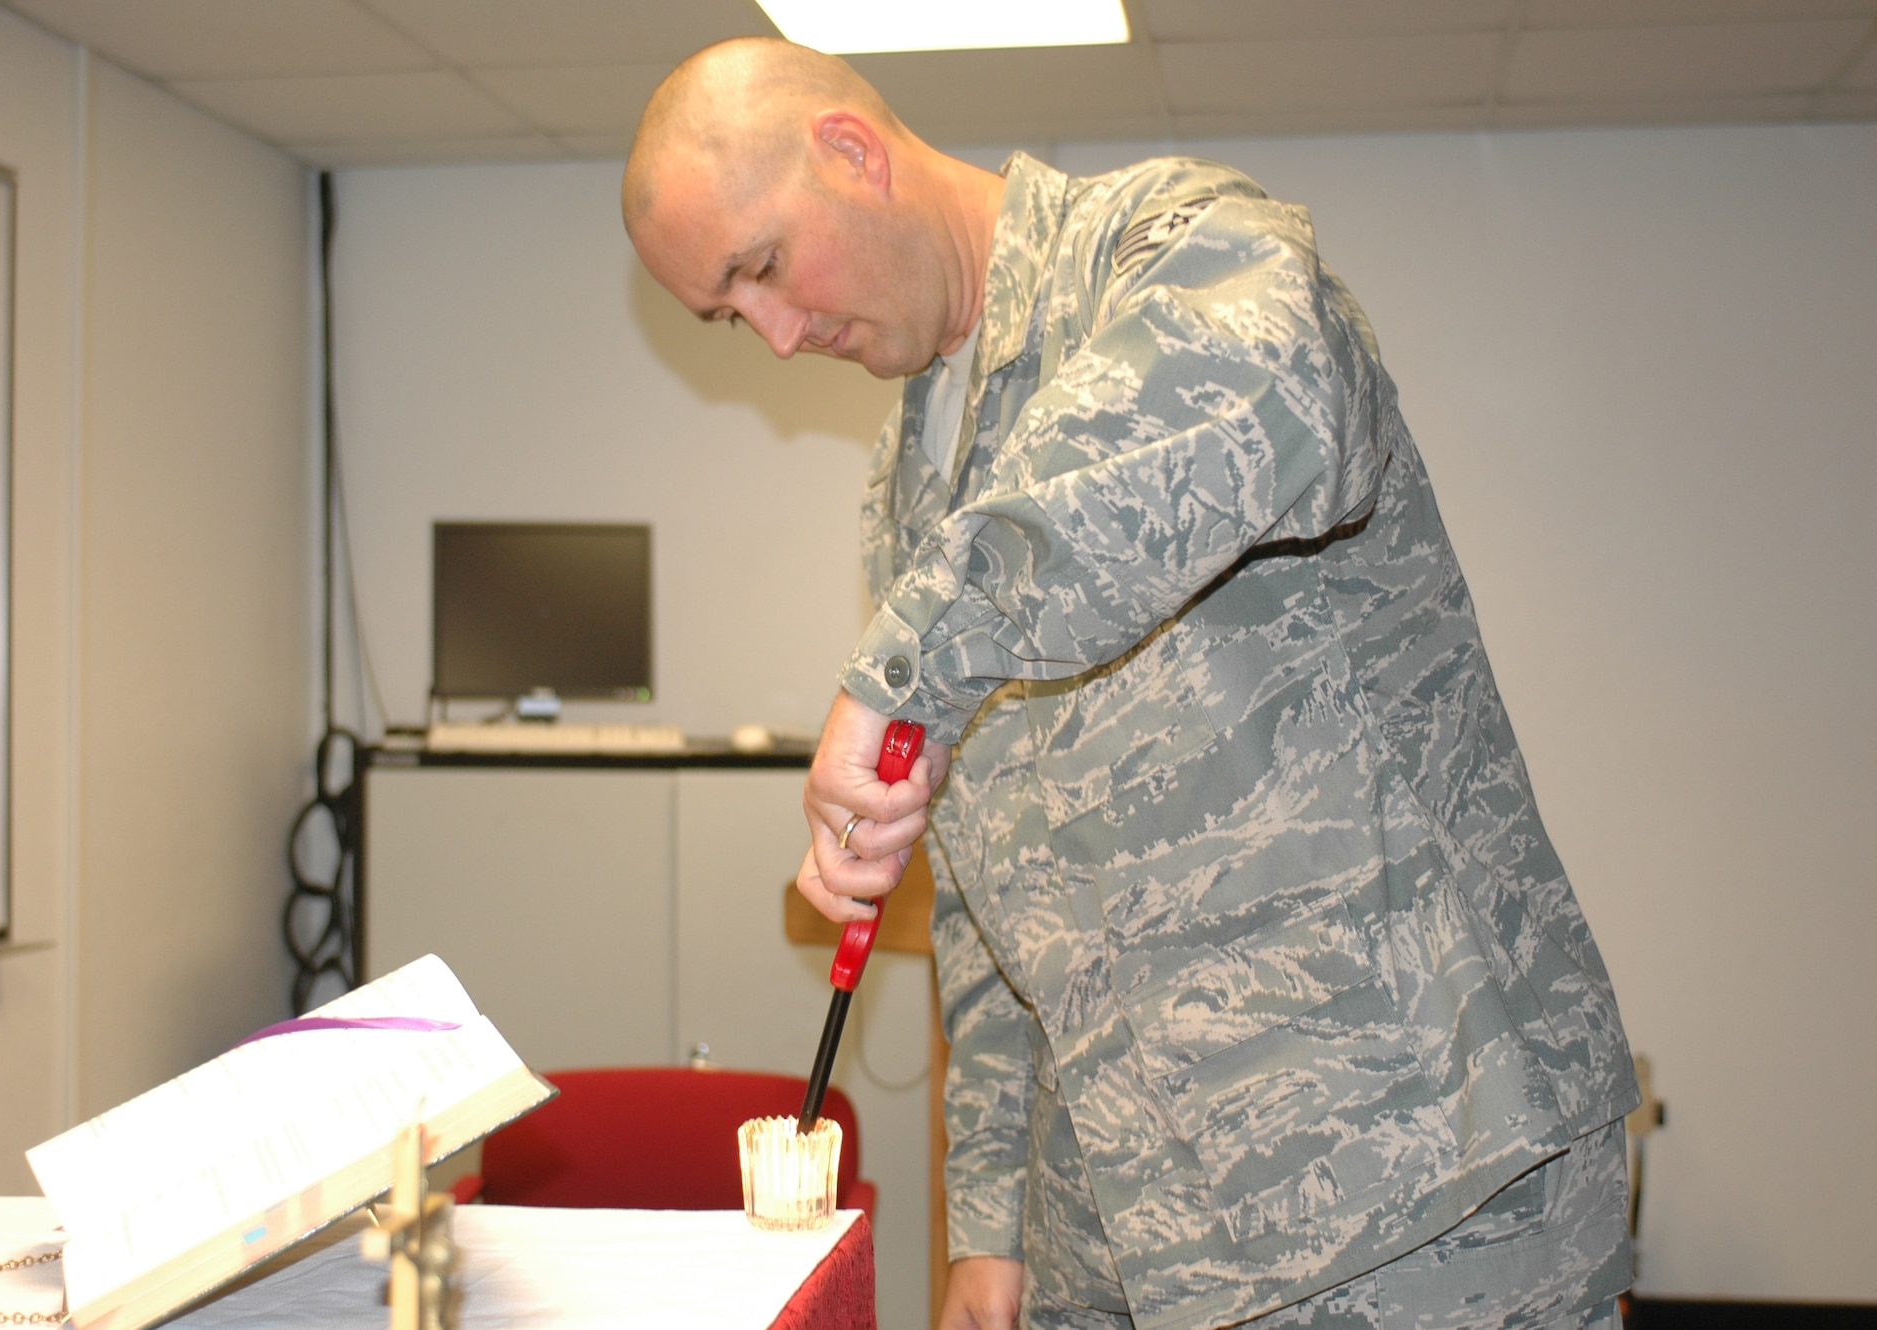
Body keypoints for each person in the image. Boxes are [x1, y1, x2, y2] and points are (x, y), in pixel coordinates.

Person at [624, 37, 1640, 1330]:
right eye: (726, 315)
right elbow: (1003, 901)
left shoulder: (1173, 248)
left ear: (852, 152)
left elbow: (1269, 386)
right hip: (1132, 1232)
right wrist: (988, 1224)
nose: (771, 336)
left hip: (1411, 1176)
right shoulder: (911, 480)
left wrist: (905, 663)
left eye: (761, 269)